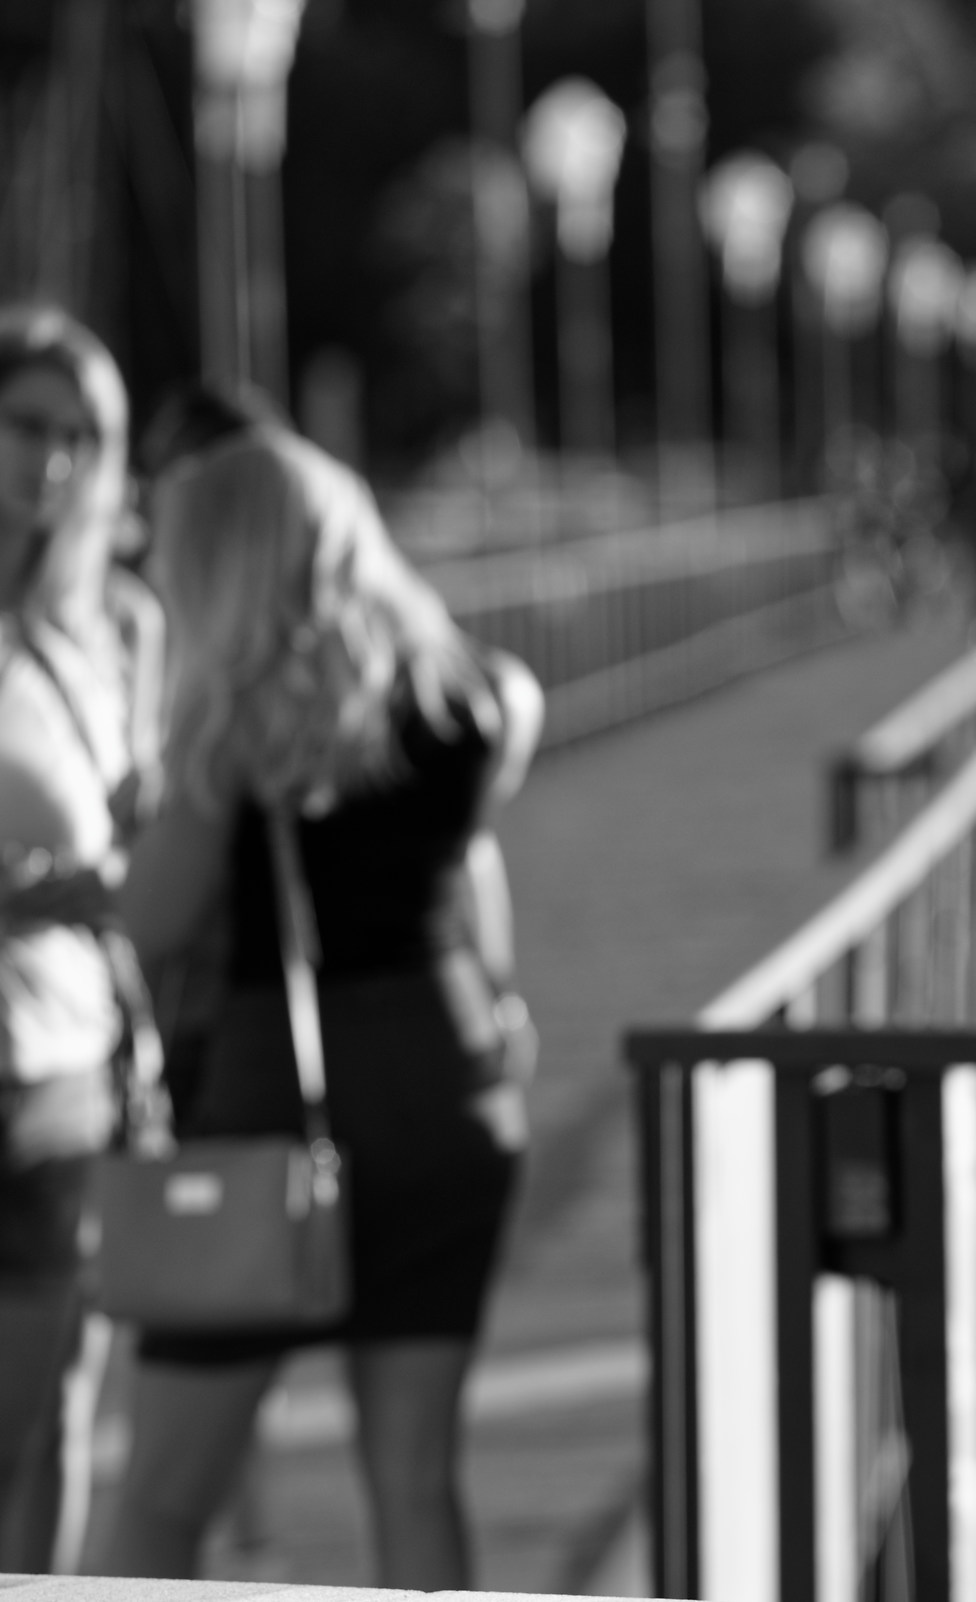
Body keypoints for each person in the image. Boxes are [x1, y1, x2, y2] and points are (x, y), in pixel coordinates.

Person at [108, 423, 541, 1587]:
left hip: (280, 1105)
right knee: (415, 1477)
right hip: (451, 1092)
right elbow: (478, 841)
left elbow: (147, 925)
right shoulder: (468, 698)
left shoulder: (230, 736)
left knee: (156, 1501)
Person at [0, 305, 162, 1571]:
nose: (51, 462)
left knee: (52, 1408)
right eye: (26, 426)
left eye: (80, 435)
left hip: (67, 1058)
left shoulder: (116, 625)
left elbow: (147, 827)